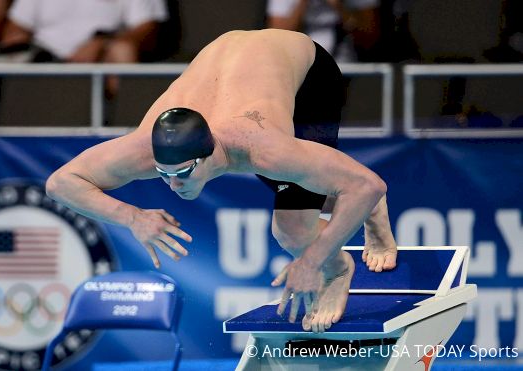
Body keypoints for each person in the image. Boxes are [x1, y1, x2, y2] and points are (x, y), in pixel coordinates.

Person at [46, 29, 397, 333]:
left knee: (293, 231)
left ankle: (341, 267)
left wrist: (311, 261)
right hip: (231, 62)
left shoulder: (262, 148)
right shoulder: (143, 147)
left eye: (183, 173)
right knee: (305, 190)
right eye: (162, 173)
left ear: (210, 154)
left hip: (306, 74)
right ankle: (341, 191)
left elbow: (370, 184)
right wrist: (132, 217)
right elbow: (61, 183)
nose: (173, 184)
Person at [0, 0, 169, 96]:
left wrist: (103, 42)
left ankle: (127, 133)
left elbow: (147, 29)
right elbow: (16, 28)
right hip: (43, 59)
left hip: (102, 62)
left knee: (122, 50)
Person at [266, 0, 381, 62]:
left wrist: (338, 6)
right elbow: (277, 36)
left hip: (342, 60)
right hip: (301, 59)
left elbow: (369, 34)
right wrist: (303, 3)